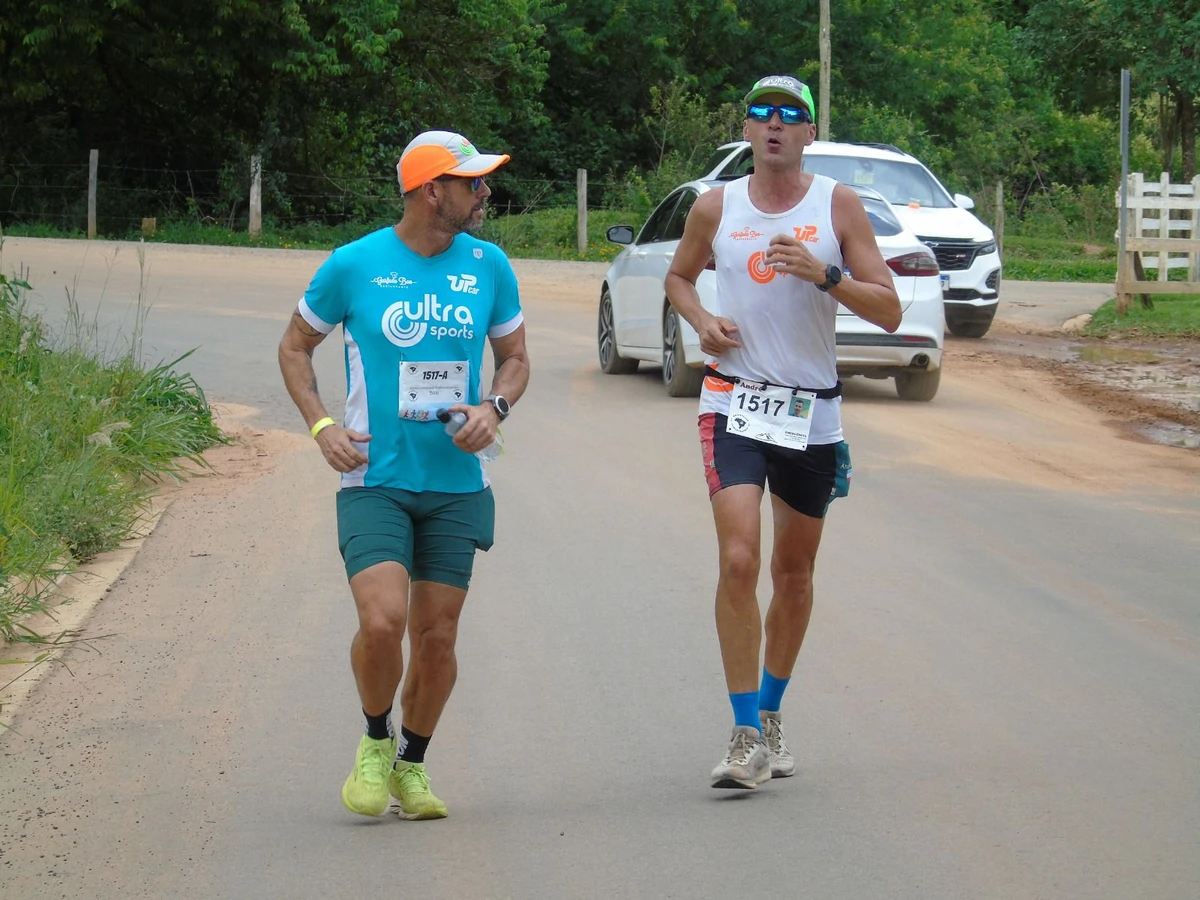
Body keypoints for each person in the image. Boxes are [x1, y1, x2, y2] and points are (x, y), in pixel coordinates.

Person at [278, 130, 530, 819]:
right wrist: (323, 426)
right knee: (384, 621)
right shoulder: (354, 265)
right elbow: (296, 346)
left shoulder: (489, 265)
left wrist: (495, 407)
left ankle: (411, 766)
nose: (485, 194)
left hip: (457, 483)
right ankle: (373, 738)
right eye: (472, 183)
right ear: (431, 191)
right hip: (375, 478)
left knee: (439, 635)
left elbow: (515, 358)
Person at [665, 75, 901, 789]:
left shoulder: (839, 205)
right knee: (739, 559)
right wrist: (703, 322)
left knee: (792, 574)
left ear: (808, 132)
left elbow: (889, 308)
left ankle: (770, 714)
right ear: (746, 128)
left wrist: (824, 274)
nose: (773, 124)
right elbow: (679, 278)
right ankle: (742, 734)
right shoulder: (716, 205)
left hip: (810, 412)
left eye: (789, 115)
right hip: (733, 402)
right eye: (761, 113)